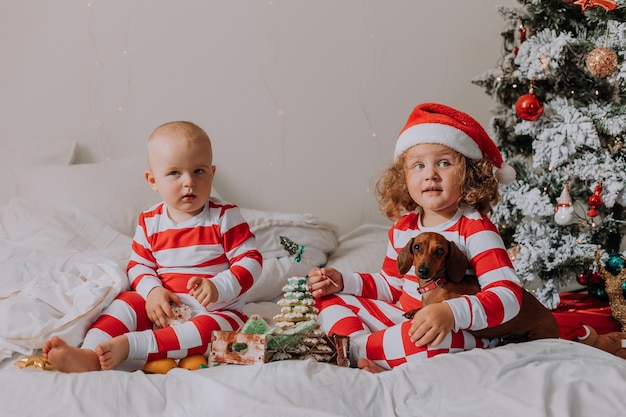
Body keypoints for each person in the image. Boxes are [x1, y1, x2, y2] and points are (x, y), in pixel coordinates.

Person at [308, 102, 519, 373]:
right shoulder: (404, 228)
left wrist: (452, 313)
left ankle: (354, 350)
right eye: (418, 165)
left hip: (456, 329)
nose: (430, 173)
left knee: (428, 341)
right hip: (404, 319)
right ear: (403, 178)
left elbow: (507, 295)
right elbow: (390, 285)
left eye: (444, 163)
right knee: (328, 299)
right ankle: (366, 349)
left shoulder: (475, 228)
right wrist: (343, 281)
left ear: (469, 175)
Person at [43, 121, 263, 372]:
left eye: (199, 171)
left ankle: (130, 345)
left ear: (212, 173)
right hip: (164, 312)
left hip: (214, 312)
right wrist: (152, 292)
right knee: (125, 303)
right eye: (174, 173)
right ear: (153, 180)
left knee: (210, 330)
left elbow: (251, 260)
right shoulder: (150, 221)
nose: (189, 182)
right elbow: (138, 265)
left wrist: (218, 286)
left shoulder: (224, 216)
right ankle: (91, 352)